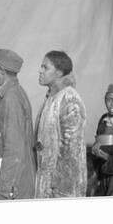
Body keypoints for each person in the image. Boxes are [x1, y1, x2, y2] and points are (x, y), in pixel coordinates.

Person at [34, 50, 87, 198]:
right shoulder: (52, 98)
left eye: (45, 67)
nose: (40, 71)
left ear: (58, 72)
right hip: (47, 185)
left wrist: (60, 189)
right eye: (41, 67)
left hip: (61, 191)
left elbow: (71, 152)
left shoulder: (70, 100)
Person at [0, 49, 36, 200]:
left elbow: (14, 150)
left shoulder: (11, 99)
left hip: (14, 187)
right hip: (14, 183)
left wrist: (4, 190)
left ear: (1, 70)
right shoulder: (12, 94)